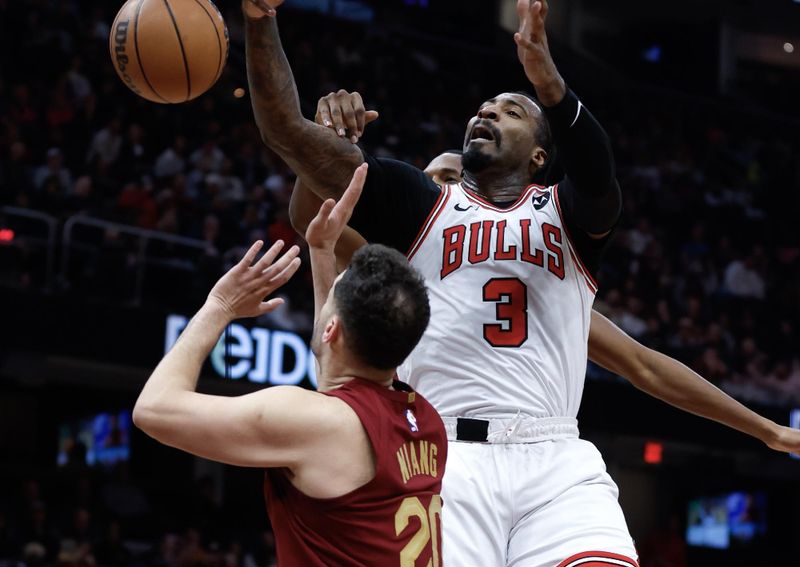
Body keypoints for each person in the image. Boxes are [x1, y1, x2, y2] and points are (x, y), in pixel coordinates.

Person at [242, 0, 663, 567]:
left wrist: (547, 82)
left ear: (541, 156)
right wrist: (261, 22)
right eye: (482, 108)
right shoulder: (421, 203)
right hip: (444, 461)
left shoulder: (566, 217)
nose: (487, 112)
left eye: (510, 111)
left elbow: (597, 170)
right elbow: (286, 134)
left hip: (554, 455)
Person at [291, 97, 800, 458]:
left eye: (455, 179)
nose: (452, 194)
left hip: (502, 453)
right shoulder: (397, 257)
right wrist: (319, 144)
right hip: (408, 443)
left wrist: (767, 430)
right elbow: (308, 218)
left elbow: (643, 365)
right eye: (439, 181)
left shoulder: (530, 292)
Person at [133, 165, 448, 567]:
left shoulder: (315, 424)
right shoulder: (425, 419)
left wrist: (220, 305)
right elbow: (337, 382)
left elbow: (154, 409)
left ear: (332, 329)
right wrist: (322, 250)